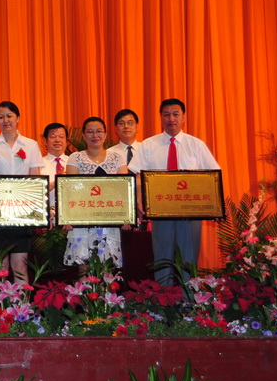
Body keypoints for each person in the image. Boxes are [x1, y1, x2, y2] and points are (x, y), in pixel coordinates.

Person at [128, 98, 220, 285]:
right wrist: (138, 200)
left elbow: (212, 177)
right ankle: (163, 300)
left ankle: (190, 300)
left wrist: (216, 207)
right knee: (162, 261)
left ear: (183, 117)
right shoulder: (149, 145)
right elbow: (137, 175)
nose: (171, 118)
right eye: (166, 114)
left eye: (176, 114)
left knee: (189, 261)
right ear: (161, 117)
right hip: (160, 212)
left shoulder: (196, 145)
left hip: (191, 213)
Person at [0, 101, 43, 284]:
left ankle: (21, 303)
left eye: (9, 116)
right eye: (0, 117)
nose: (5, 120)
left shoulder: (30, 145)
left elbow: (35, 178)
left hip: (22, 212)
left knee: (20, 266)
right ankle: (0, 303)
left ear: (18, 118)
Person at [63, 117, 128, 271]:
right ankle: (85, 288)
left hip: (109, 218)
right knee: (83, 265)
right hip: (81, 219)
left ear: (105, 134)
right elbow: (68, 190)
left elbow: (124, 190)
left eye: (99, 131)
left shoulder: (117, 158)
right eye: (90, 132)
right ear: (84, 135)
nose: (95, 135)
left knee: (107, 267)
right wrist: (67, 218)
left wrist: (126, 217)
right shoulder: (75, 157)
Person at [41, 122, 70, 211]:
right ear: (45, 140)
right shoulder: (39, 164)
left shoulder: (73, 163)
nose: (57, 140)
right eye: (53, 137)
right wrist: (57, 181)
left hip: (71, 212)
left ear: (66, 141)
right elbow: (35, 192)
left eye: (61, 137)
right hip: (47, 213)